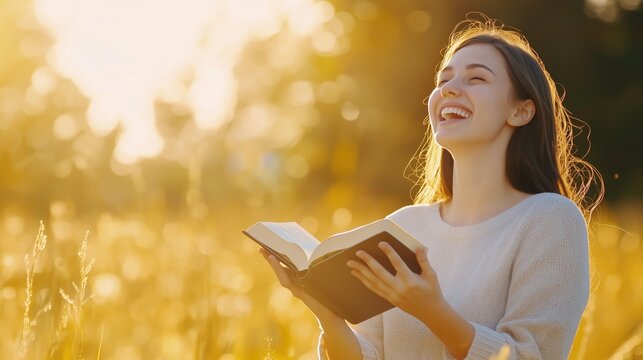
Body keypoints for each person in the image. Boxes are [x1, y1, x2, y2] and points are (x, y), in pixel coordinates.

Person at [259, 16, 603, 360]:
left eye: (477, 78)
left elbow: (531, 356)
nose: (449, 89)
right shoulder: (403, 226)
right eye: (444, 80)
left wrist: (432, 311)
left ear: (521, 111)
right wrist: (328, 315)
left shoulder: (550, 220)